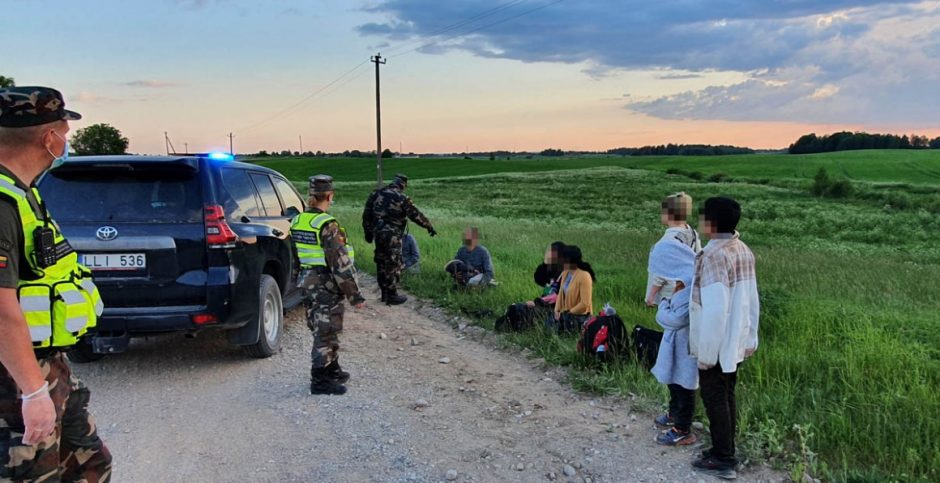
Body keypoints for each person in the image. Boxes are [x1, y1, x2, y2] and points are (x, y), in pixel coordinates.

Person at [0, 86, 112, 480]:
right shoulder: (2, 204)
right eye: (65, 132)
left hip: (47, 364)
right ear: (49, 138)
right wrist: (32, 392)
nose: (66, 141)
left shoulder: (23, 193)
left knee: (88, 464)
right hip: (13, 377)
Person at [689, 197, 760, 480]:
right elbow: (753, 298)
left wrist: (706, 354)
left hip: (717, 343)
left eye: (702, 216)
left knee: (714, 396)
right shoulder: (743, 249)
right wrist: (750, 337)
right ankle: (725, 448)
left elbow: (715, 310)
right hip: (737, 338)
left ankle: (723, 458)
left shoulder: (715, 256)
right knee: (727, 392)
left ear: (711, 223)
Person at [292, 175, 366, 395]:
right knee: (326, 331)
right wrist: (355, 295)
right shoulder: (327, 224)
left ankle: (333, 368)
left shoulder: (298, 221)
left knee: (321, 326)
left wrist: (298, 279)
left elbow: (295, 255)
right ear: (330, 196)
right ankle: (320, 380)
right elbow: (339, 263)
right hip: (325, 284)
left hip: (307, 282)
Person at [362, 173, 436, 305]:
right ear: (403, 185)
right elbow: (415, 215)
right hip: (393, 235)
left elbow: (366, 214)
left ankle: (384, 292)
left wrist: (368, 233)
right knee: (393, 262)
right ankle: (392, 294)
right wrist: (429, 226)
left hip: (378, 233)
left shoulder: (376, 193)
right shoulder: (401, 197)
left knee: (381, 260)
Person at [647, 192, 701, 306]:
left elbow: (661, 271)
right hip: (687, 288)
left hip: (670, 292)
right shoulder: (692, 233)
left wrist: (651, 295)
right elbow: (698, 257)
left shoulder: (669, 239)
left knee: (669, 321)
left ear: (669, 214)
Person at [549, 245, 596, 334]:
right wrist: (557, 310)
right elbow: (560, 294)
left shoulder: (584, 276)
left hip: (580, 316)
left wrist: (569, 312)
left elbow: (585, 303)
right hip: (566, 313)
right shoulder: (565, 273)